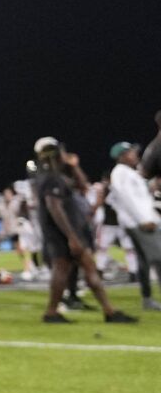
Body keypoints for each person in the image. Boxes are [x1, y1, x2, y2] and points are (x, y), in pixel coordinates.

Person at [31, 137, 134, 325]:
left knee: (84, 267)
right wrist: (71, 237)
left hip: (71, 231)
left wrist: (73, 166)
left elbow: (83, 185)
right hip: (63, 233)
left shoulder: (58, 175)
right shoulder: (51, 178)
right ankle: (54, 312)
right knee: (64, 269)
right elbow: (55, 207)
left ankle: (108, 311)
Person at [106, 141, 161, 311]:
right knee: (159, 259)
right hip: (141, 223)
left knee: (143, 262)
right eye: (131, 152)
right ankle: (148, 299)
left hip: (142, 221)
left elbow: (140, 197)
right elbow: (128, 199)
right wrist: (144, 219)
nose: (135, 154)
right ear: (122, 156)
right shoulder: (120, 173)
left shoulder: (128, 173)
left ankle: (147, 299)